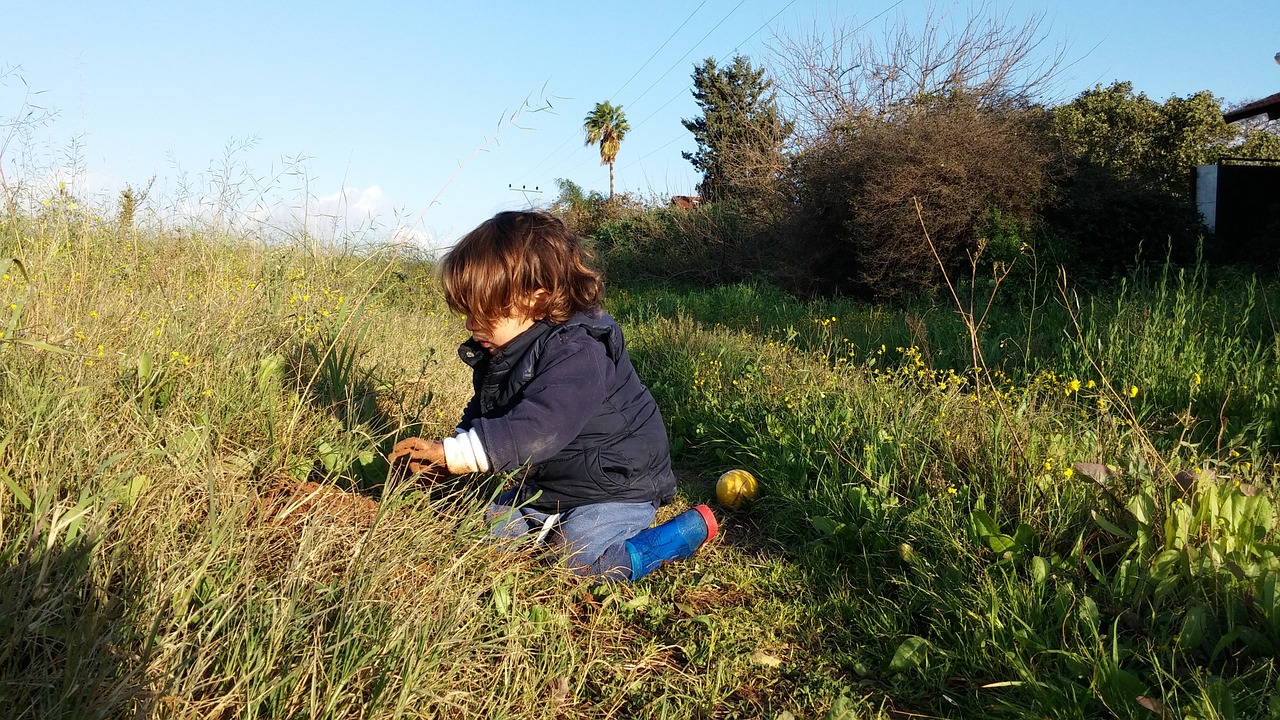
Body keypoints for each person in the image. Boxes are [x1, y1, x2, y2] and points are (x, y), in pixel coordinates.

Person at [388, 210, 716, 581]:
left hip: (617, 484)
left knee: (573, 560)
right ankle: (550, 521)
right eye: (466, 312)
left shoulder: (579, 350)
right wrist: (448, 449)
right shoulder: (505, 350)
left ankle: (670, 539)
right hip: (556, 483)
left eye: (483, 312)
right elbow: (488, 411)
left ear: (536, 298)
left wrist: (456, 456)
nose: (470, 324)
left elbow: (538, 428)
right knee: (483, 531)